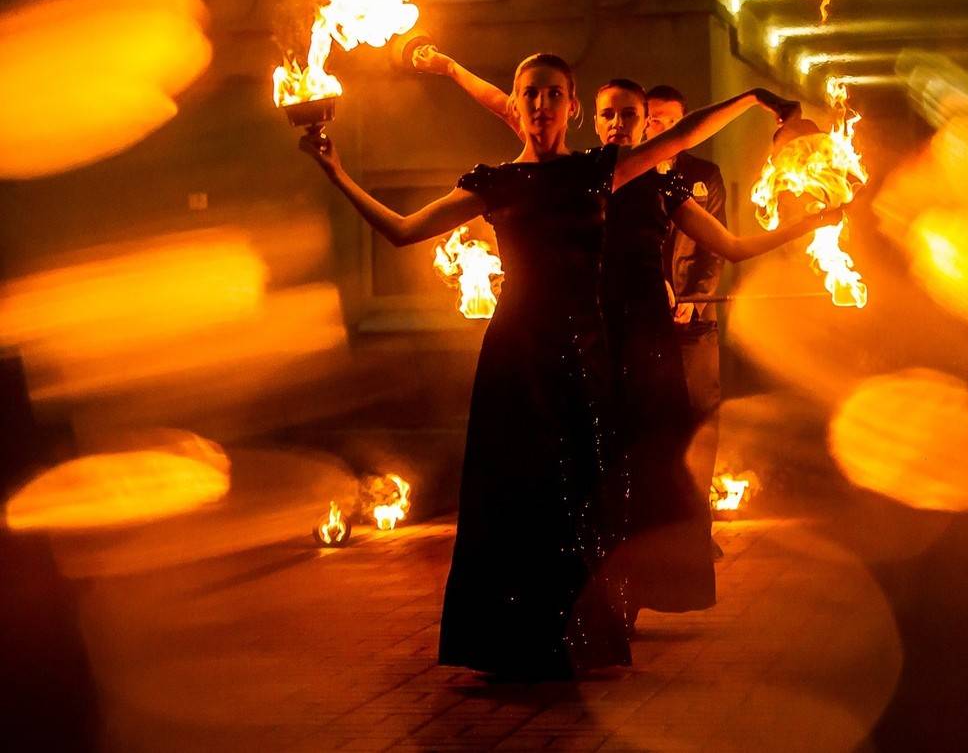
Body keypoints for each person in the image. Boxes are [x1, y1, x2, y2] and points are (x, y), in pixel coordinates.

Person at [300, 51, 802, 678]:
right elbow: (403, 230)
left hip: (584, 352)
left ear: (571, 106)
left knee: (583, 496)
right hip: (516, 353)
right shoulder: (496, 182)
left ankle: (577, 638)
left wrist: (752, 99)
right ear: (518, 104)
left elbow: (679, 137)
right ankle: (506, 643)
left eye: (553, 94)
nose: (541, 105)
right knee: (513, 493)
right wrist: (336, 171)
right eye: (530, 94)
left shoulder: (598, 172)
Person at [408, 46, 839, 627]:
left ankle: (633, 591)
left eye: (630, 115)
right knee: (588, 471)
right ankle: (582, 597)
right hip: (586, 333)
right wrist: (450, 67)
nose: (617, 124)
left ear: (646, 124)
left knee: (649, 466)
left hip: (644, 340)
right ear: (591, 118)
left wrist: (807, 222)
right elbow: (508, 105)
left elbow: (729, 241)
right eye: (608, 114)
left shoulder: (657, 184)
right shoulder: (580, 173)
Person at [647, 85, 727, 531]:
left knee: (700, 419)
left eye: (669, 119)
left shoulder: (704, 175)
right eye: (651, 117)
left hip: (695, 320)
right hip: (644, 318)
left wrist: (695, 300)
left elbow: (715, 246)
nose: (658, 126)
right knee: (652, 423)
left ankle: (698, 527)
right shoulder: (631, 173)